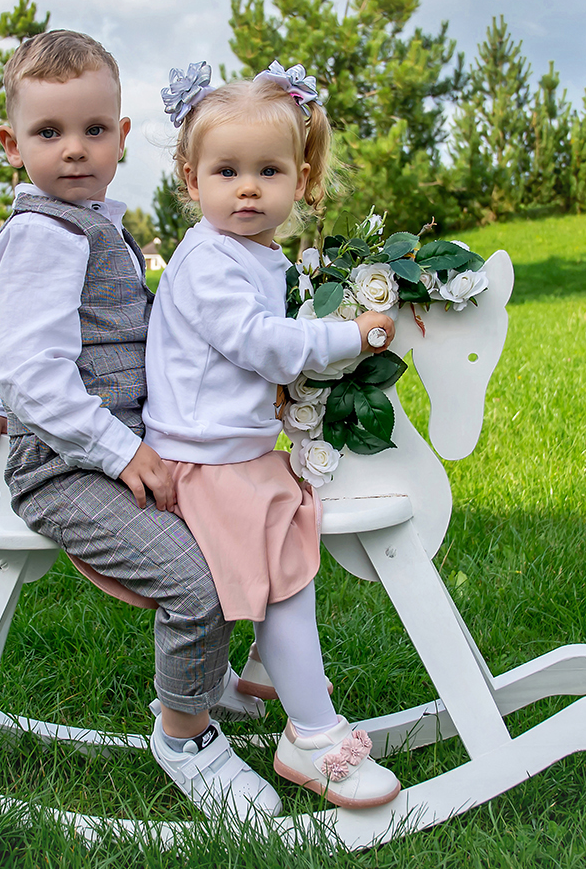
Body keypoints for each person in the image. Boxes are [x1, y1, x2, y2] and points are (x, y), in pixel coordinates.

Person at [0, 30, 282, 819]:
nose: (74, 148)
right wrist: (117, 450)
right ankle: (185, 736)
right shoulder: (44, 232)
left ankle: (204, 679)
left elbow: (21, 338)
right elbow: (31, 367)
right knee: (194, 580)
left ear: (122, 136)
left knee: (227, 530)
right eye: (48, 131)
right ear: (12, 144)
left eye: (94, 129)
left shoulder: (88, 223)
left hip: (114, 449)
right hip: (64, 468)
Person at [141, 60, 401, 809]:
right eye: (227, 172)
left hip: (236, 452)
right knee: (286, 576)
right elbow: (259, 343)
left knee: (295, 541)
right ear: (191, 180)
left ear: (301, 179)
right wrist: (352, 337)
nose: (247, 189)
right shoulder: (208, 261)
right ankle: (311, 737)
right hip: (204, 462)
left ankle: (262, 670)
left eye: (268, 171)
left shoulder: (257, 255)